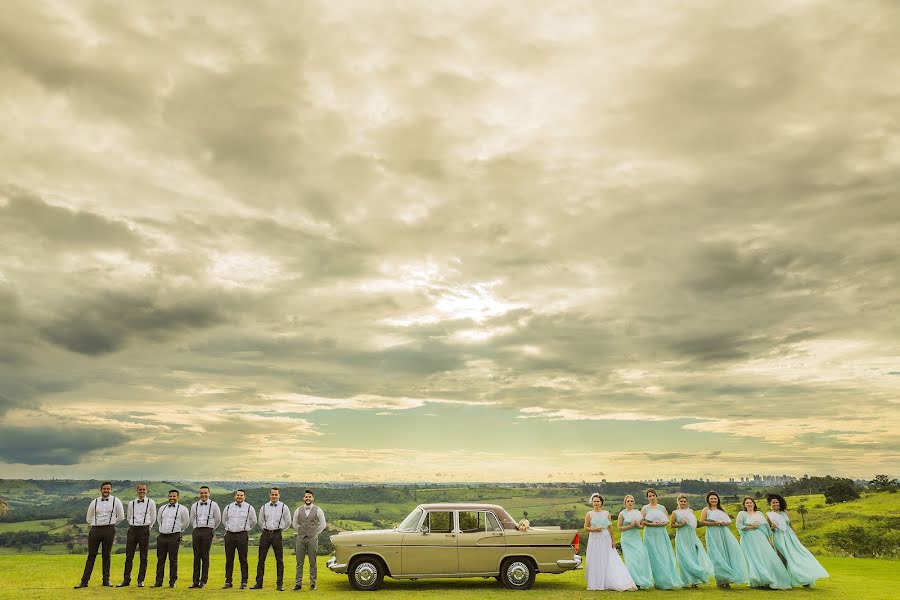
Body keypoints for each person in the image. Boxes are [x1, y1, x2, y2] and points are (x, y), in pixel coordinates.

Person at [765, 493, 829, 587]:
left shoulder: (785, 513)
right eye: (773, 503)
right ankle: (782, 580)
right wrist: (773, 528)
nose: (775, 504)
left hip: (790, 536)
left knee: (798, 555)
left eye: (776, 502)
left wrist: (795, 537)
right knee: (783, 557)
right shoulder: (769, 515)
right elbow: (769, 530)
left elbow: (790, 525)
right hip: (778, 537)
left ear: (780, 503)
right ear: (770, 505)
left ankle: (805, 578)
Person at [74, 481, 124, 588]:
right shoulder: (94, 502)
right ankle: (84, 582)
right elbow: (88, 517)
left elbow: (121, 516)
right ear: (100, 490)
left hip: (109, 530)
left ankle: (106, 580)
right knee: (91, 556)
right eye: (104, 489)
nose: (106, 490)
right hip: (95, 530)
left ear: (111, 490)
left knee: (106, 556)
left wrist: (112, 524)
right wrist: (96, 524)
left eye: (108, 489)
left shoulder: (116, 501)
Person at [584, 493, 637, 591]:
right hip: (594, 539)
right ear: (592, 503)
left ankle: (609, 580)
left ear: (601, 503)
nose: (596, 503)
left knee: (607, 559)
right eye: (594, 501)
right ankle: (596, 582)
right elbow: (586, 528)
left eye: (598, 501)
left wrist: (613, 541)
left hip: (605, 538)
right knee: (595, 559)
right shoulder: (589, 514)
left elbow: (610, 528)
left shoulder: (606, 513)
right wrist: (595, 529)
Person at [736, 496, 790, 590]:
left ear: (754, 503)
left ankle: (769, 578)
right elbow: (739, 526)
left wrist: (768, 538)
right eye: (747, 503)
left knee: (766, 557)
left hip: (761, 537)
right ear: (744, 505)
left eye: (751, 502)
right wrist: (751, 527)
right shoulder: (742, 514)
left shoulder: (759, 513)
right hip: (748, 538)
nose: (749, 504)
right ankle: (758, 580)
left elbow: (766, 527)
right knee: (754, 558)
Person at [700, 491, 747, 589]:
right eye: (711, 498)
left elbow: (728, 521)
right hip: (712, 533)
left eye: (715, 498)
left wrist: (724, 523)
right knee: (716, 555)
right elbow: (702, 521)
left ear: (718, 499)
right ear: (708, 500)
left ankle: (728, 579)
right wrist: (714, 523)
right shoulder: (706, 509)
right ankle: (720, 581)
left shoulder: (722, 509)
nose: (713, 500)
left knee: (726, 553)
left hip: (723, 533)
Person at [640, 488, 683, 589]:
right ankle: (652, 579)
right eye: (649, 496)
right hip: (650, 533)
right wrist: (651, 523)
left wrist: (661, 523)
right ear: (647, 498)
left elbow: (667, 521)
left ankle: (664, 579)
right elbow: (642, 522)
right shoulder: (645, 508)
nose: (651, 497)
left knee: (662, 554)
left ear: (656, 496)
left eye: (653, 495)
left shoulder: (661, 508)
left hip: (661, 533)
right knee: (651, 555)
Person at [252, 487, 291, 591]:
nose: (274, 496)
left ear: (279, 495)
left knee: (279, 560)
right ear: (269, 495)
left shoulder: (284, 507)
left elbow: (288, 522)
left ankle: (279, 584)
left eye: (276, 494)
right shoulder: (264, 507)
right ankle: (258, 583)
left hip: (277, 534)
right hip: (265, 534)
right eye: (272, 494)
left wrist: (281, 530)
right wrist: (266, 530)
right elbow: (260, 522)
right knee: (261, 559)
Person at [671, 494, 714, 587]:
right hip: (681, 537)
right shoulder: (675, 512)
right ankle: (686, 580)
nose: (683, 503)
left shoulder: (691, 511)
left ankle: (695, 580)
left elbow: (694, 523)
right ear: (678, 502)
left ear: (687, 502)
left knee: (693, 556)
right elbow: (672, 525)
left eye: (684, 501)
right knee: (683, 558)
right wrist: (681, 524)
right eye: (681, 501)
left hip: (691, 536)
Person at [118, 483, 156, 587]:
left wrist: (147, 528)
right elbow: (129, 517)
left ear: (146, 490)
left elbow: (153, 518)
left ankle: (141, 580)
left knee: (143, 556)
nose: (142, 491)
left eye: (144, 489)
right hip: (132, 529)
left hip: (144, 529)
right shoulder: (131, 503)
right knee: (129, 556)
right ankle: (126, 580)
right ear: (137, 490)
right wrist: (133, 526)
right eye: (140, 489)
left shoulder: (151, 503)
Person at [153, 489, 190, 588]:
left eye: (174, 496)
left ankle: (172, 582)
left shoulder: (183, 509)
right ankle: (158, 581)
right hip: (162, 536)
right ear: (168, 497)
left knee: (173, 560)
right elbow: (159, 520)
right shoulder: (162, 508)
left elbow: (186, 523)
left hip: (174, 536)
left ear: (178, 497)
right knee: (160, 560)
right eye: (170, 496)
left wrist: (177, 529)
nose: (172, 498)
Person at [292, 488, 327, 591]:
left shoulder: (318, 509)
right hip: (300, 538)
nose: (308, 498)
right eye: (306, 497)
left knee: (313, 562)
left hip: (312, 538)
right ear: (304, 498)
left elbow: (323, 524)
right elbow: (294, 524)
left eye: (309, 497)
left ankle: (313, 583)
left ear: (313, 498)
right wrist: (300, 531)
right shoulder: (298, 510)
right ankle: (298, 584)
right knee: (299, 562)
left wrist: (315, 533)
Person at [617, 494, 653, 589]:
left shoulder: (637, 512)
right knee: (631, 561)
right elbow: (619, 528)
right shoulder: (622, 514)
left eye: (631, 501)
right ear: (625, 503)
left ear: (634, 503)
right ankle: (633, 582)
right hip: (626, 540)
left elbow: (642, 526)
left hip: (636, 539)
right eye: (628, 501)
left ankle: (641, 580)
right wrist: (630, 526)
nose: (630, 503)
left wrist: (638, 525)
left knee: (640, 559)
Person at [222, 490, 257, 589]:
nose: (239, 497)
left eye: (241, 495)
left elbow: (253, 521)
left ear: (244, 497)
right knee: (229, 559)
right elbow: (224, 520)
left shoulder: (249, 508)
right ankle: (228, 581)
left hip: (242, 535)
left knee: (243, 559)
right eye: (238, 495)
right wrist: (229, 528)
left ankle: (244, 582)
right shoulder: (228, 507)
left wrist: (246, 528)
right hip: (229, 535)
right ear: (235, 496)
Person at [189, 485, 222, 588]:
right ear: (199, 494)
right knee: (196, 556)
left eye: (205, 493)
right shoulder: (194, 506)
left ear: (209, 493)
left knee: (205, 556)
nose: (203, 495)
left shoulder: (214, 505)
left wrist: (211, 528)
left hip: (208, 531)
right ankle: (195, 581)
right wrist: (196, 528)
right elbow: (192, 519)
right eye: (201, 493)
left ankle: (203, 581)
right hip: (197, 530)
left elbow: (218, 519)